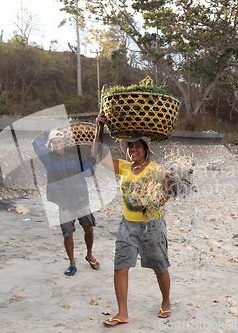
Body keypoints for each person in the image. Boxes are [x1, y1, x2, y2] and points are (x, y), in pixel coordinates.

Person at [94, 114, 171, 327]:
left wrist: (157, 198)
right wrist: (98, 128)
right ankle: (122, 313)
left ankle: (166, 301)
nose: (133, 150)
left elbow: (166, 195)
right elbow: (97, 155)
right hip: (127, 225)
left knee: (160, 265)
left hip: (152, 227)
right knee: (120, 266)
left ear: (146, 149)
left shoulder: (156, 170)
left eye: (138, 146)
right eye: (130, 146)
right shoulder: (124, 168)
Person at [32, 129, 100, 276]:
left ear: (64, 142)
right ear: (50, 145)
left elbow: (88, 172)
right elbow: (35, 143)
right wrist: (46, 133)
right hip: (64, 203)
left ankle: (89, 254)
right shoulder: (48, 159)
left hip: (81, 199)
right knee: (67, 234)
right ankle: (72, 263)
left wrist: (92, 161)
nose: (57, 145)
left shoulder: (75, 156)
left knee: (89, 229)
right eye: (53, 142)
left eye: (59, 141)